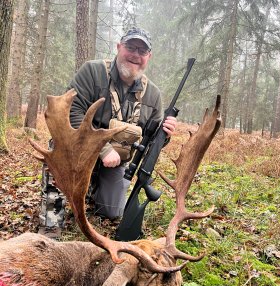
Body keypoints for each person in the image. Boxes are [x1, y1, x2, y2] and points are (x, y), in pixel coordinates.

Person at [39, 27, 177, 235]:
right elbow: (72, 112)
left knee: (112, 212)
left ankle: (91, 188)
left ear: (149, 57)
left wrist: (164, 134)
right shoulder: (93, 72)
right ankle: (50, 221)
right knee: (59, 148)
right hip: (77, 150)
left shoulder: (153, 95)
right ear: (119, 47)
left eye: (142, 51)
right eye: (131, 47)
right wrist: (103, 149)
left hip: (116, 162)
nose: (135, 55)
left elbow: (151, 141)